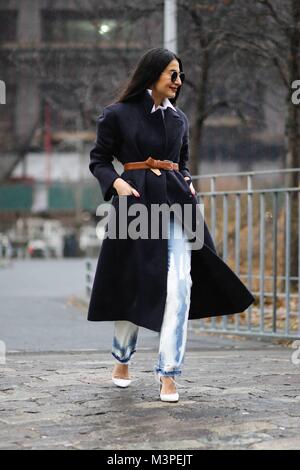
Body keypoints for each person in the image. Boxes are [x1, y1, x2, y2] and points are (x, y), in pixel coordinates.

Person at [88, 47, 255, 403]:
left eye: (181, 75)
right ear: (153, 76)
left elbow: (182, 162)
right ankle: (121, 359)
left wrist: (188, 180)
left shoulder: (179, 119)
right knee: (133, 283)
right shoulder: (117, 115)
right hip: (136, 205)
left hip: (179, 205)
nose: (179, 81)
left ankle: (169, 373)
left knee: (181, 283)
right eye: (173, 74)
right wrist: (116, 183)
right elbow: (99, 160)